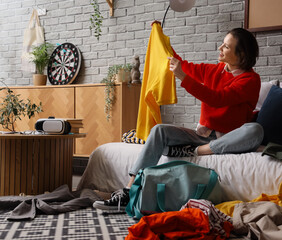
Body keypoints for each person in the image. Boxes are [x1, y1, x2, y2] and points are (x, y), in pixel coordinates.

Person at [93, 28, 264, 211]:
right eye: (223, 43)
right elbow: (183, 65)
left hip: (227, 139)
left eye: (227, 46)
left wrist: (182, 77)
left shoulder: (251, 80)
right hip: (202, 135)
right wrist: (162, 42)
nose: (220, 47)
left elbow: (217, 98)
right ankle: (128, 191)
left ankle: (197, 151)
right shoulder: (215, 70)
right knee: (159, 130)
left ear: (242, 54)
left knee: (255, 130)